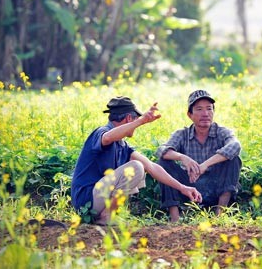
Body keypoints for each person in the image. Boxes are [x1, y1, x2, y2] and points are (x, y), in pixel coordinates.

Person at [71, 96, 202, 225]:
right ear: (129, 118)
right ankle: (107, 216)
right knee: (136, 167)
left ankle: (107, 214)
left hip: (96, 199)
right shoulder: (102, 131)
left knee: (140, 168)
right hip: (86, 200)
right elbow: (107, 138)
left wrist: (182, 187)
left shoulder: (123, 146)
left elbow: (152, 167)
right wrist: (141, 121)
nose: (137, 124)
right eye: (135, 119)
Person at [156, 90, 242, 222]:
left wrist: (204, 165)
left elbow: (235, 145)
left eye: (209, 109)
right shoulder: (182, 134)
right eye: (199, 109)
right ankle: (175, 218)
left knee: (233, 160)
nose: (205, 114)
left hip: (215, 186)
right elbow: (161, 150)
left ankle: (220, 214)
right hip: (189, 186)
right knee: (163, 163)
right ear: (190, 115)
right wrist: (183, 158)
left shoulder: (222, 132)